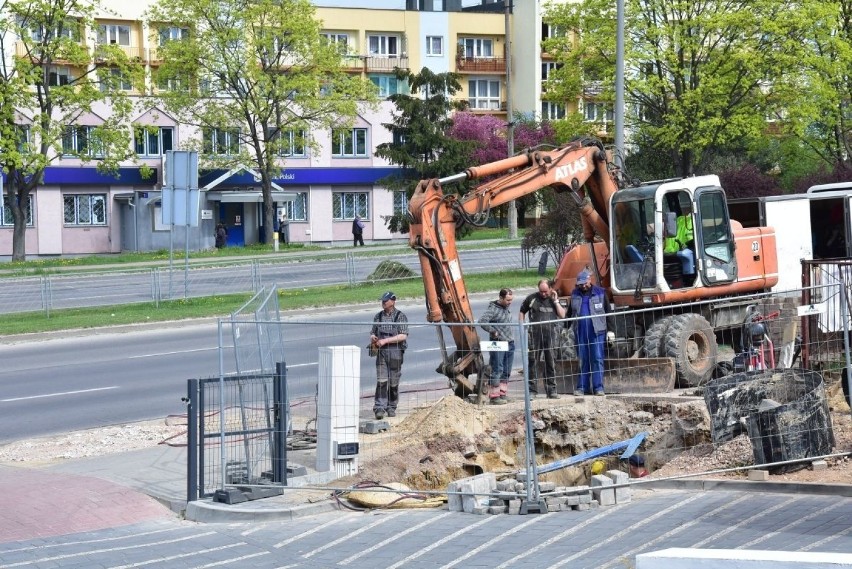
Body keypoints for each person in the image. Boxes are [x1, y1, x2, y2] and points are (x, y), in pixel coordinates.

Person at [519, 279, 566, 399]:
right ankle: (532, 391)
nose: (543, 294)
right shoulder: (531, 299)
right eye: (541, 291)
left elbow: (562, 315)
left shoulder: (553, 299)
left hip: (550, 335)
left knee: (550, 362)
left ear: (550, 289)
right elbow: (522, 311)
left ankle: (552, 390)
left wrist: (556, 301)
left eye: (545, 291)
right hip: (534, 335)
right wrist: (521, 326)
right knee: (533, 362)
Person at [370, 291, 408, 420]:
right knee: (381, 381)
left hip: (395, 352)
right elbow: (372, 331)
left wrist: (385, 340)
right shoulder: (378, 317)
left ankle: (391, 407)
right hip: (382, 353)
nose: (383, 303)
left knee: (393, 382)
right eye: (382, 301)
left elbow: (403, 335)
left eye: (386, 301)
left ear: (393, 301)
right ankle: (379, 408)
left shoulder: (400, 316)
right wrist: (373, 337)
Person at [570, 269, 607, 396]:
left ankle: (598, 387)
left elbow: (608, 312)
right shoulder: (574, 294)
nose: (583, 286)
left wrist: (612, 330)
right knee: (583, 359)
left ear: (589, 280)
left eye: (584, 283)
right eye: (580, 284)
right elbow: (570, 312)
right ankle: (582, 387)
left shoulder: (600, 293)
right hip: (580, 332)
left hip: (597, 332)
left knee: (597, 358)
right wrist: (565, 327)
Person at [478, 288, 515, 405]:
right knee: (497, 368)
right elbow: (482, 321)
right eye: (508, 300)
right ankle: (494, 396)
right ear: (501, 298)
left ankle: (502, 394)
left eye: (511, 300)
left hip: (509, 342)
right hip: (498, 343)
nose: (510, 302)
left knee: (507, 369)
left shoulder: (506, 308)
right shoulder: (493, 309)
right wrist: (493, 331)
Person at [664, 201, 695, 277]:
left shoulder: (685, 221)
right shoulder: (682, 221)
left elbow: (690, 240)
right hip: (676, 251)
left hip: (678, 252)